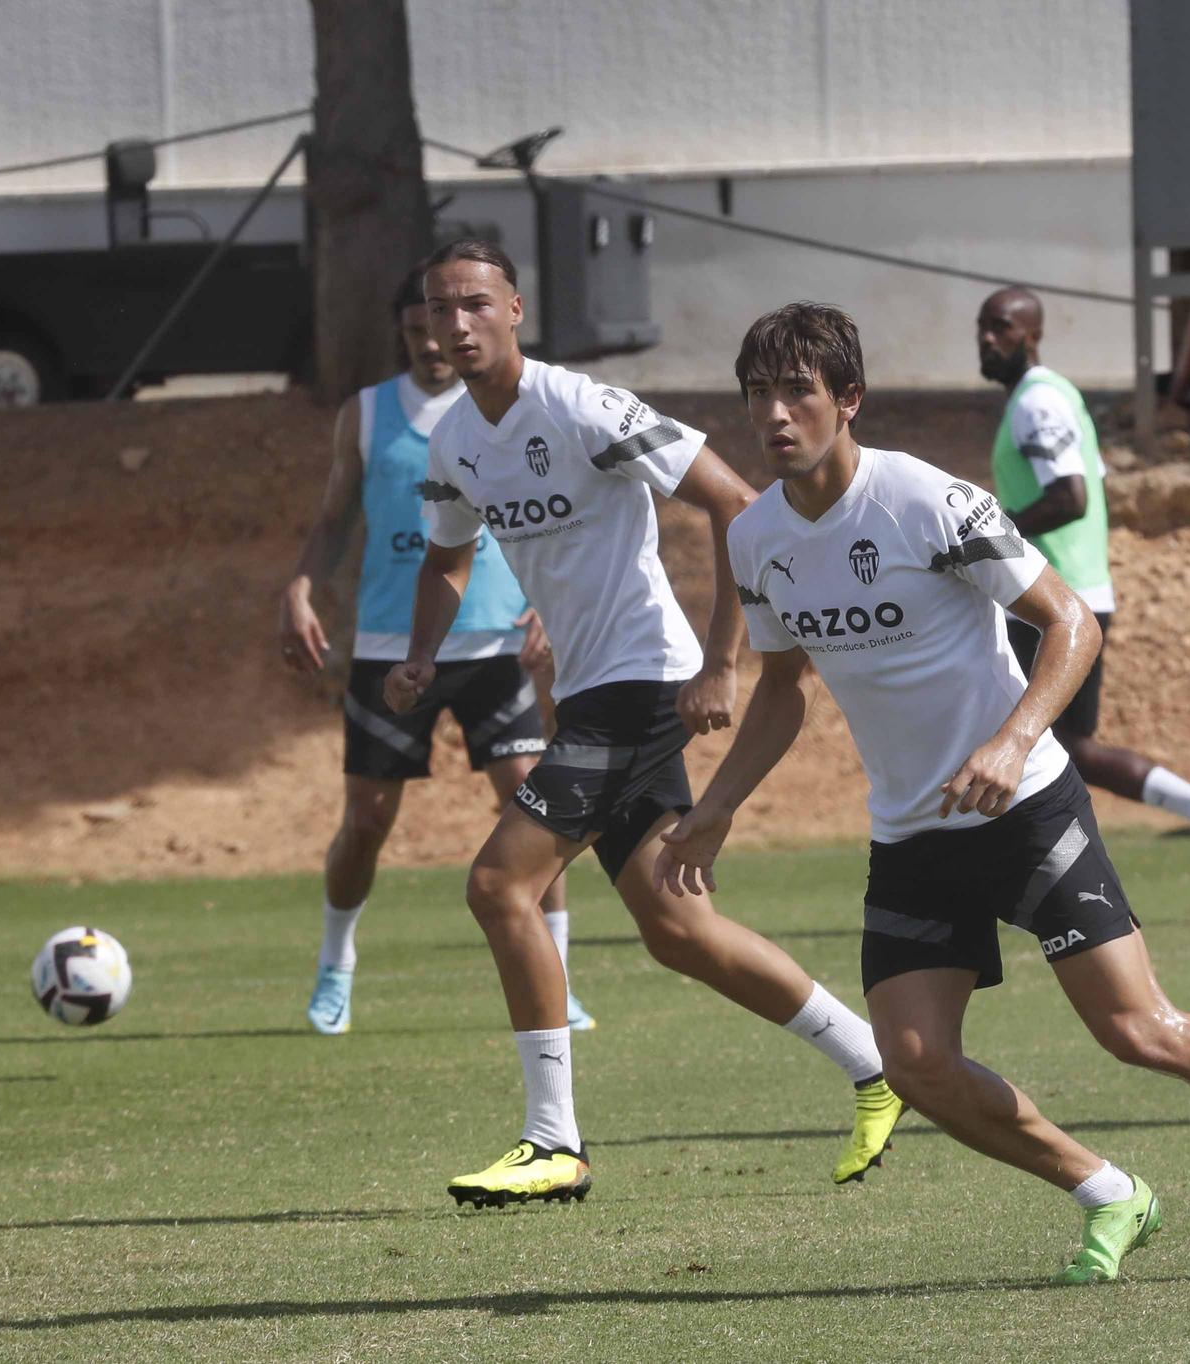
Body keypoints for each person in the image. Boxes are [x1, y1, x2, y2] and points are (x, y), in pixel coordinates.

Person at [656, 301, 1190, 1284]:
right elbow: (781, 688)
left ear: (846, 400)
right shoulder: (756, 537)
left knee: (1136, 1028)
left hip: (1024, 803)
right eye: (757, 395)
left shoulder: (926, 502)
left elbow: (1070, 620)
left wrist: (1012, 736)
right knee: (914, 1060)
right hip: (911, 833)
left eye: (796, 392)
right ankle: (1107, 1188)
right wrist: (718, 803)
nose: (773, 414)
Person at [387, 241, 903, 1206]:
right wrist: (420, 654)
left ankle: (553, 1142)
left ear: (514, 310)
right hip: (589, 691)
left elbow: (734, 504)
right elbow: (446, 564)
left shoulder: (581, 407)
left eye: (472, 306)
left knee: (501, 886)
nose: (452, 326)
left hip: (640, 681)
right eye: (435, 311)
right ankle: (877, 1064)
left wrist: (722, 659)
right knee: (678, 931)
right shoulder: (454, 442)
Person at [279, 267, 594, 1037]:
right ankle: (336, 966)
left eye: (444, 324)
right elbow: (333, 518)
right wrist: (298, 588)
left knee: (530, 799)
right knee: (368, 819)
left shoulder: (507, 411)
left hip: (494, 644)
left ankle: (558, 977)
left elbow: (569, 513)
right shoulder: (365, 414)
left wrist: (548, 607)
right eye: (419, 327)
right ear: (406, 332)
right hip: (392, 646)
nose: (433, 342)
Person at [976, 287, 1190, 896]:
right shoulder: (1058, 397)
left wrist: (984, 539)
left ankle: (1026, 878)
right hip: (1072, 595)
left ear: (1031, 335)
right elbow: (1091, 480)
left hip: (1049, 602)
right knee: (1061, 746)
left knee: (1026, 740)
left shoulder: (1037, 403)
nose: (986, 339)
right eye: (982, 327)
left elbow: (1070, 495)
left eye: (1000, 327)